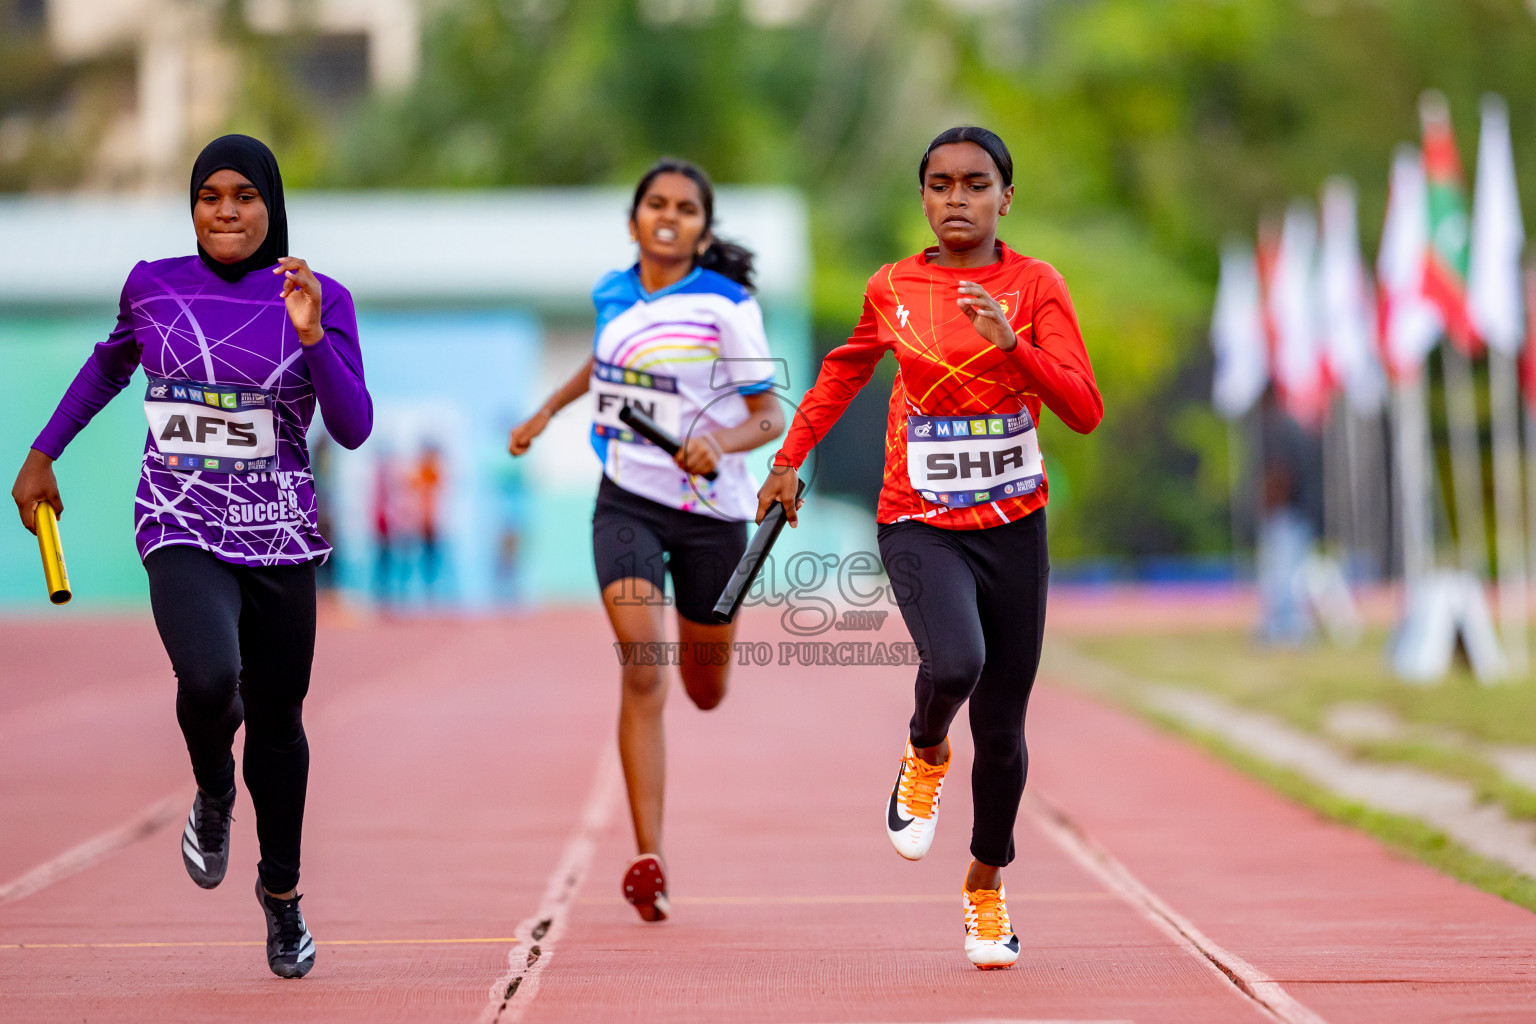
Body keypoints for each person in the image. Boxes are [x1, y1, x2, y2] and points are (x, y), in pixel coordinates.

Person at [9, 135, 372, 979]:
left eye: (245, 195)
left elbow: (351, 427)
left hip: (280, 530)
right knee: (210, 681)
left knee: (279, 722)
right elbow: (109, 366)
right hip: (180, 517)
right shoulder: (154, 284)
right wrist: (42, 452)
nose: (227, 211)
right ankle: (213, 790)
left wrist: (313, 335)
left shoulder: (320, 296)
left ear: (272, 206)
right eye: (210, 195)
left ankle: (281, 900)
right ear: (194, 207)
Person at [758, 126, 1101, 969]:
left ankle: (985, 890)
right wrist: (787, 462)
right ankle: (924, 750)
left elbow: (1085, 408)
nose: (958, 199)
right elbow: (842, 372)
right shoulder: (894, 287)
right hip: (918, 516)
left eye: (976, 184)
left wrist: (1014, 349)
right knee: (955, 664)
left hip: (1015, 524)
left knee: (1008, 733)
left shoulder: (1035, 286)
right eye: (940, 184)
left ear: (1005, 198)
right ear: (923, 197)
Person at [510, 159, 784, 922]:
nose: (669, 216)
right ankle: (649, 858)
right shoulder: (613, 293)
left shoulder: (728, 306)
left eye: (686, 208)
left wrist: (723, 444)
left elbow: (770, 415)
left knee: (703, 688)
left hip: (712, 513)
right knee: (642, 668)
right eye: (655, 204)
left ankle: (709, 664)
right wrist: (547, 412)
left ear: (703, 227)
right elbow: (600, 365)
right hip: (627, 499)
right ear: (634, 220)